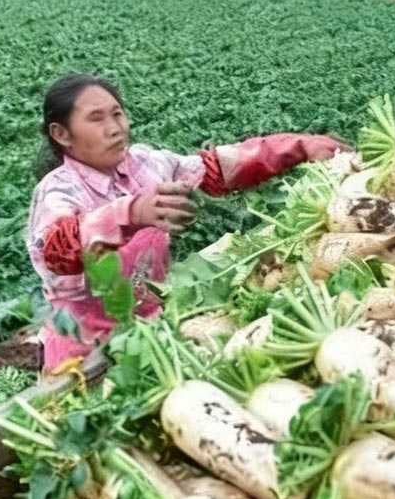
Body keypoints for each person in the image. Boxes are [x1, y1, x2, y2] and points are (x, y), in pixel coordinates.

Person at [27, 75, 347, 372]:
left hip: (155, 329)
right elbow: (61, 248)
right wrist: (132, 213)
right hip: (84, 355)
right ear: (61, 133)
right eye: (96, 118)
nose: (115, 128)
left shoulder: (145, 164)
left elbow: (214, 169)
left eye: (117, 114)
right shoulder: (58, 191)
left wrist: (299, 147)